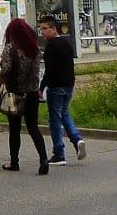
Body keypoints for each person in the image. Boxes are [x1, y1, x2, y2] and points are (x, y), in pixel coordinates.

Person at [0, 18, 48, 175]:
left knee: (14, 129)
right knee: (33, 128)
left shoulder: (10, 48)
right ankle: (44, 160)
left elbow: (6, 69)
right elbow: (37, 72)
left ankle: (14, 161)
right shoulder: (34, 49)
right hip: (31, 93)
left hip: (14, 93)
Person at [38, 16, 84, 165]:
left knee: (54, 120)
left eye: (45, 29)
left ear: (53, 29)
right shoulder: (66, 43)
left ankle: (59, 153)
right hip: (68, 85)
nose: (42, 32)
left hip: (56, 87)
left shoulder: (51, 46)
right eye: (41, 29)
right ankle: (77, 140)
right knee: (64, 113)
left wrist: (42, 87)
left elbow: (49, 70)